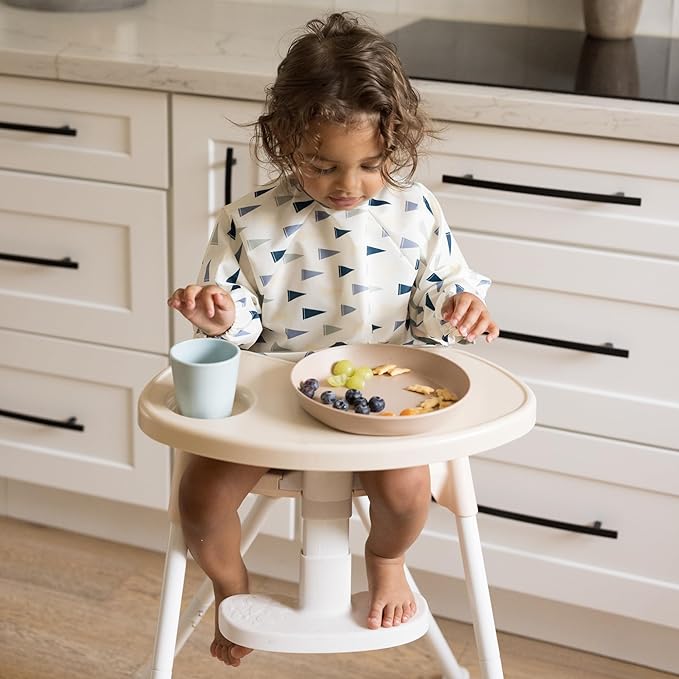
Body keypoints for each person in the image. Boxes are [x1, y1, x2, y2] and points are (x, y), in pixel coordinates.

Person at [168, 12, 499, 668]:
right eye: (323, 166)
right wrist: (219, 315)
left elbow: (435, 302)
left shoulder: (415, 210)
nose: (348, 185)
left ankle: (386, 561)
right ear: (284, 141)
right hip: (273, 399)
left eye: (371, 165)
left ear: (396, 144)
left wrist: (459, 308)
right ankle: (232, 587)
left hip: (384, 405)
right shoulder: (247, 221)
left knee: (406, 493)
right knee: (199, 501)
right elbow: (240, 322)